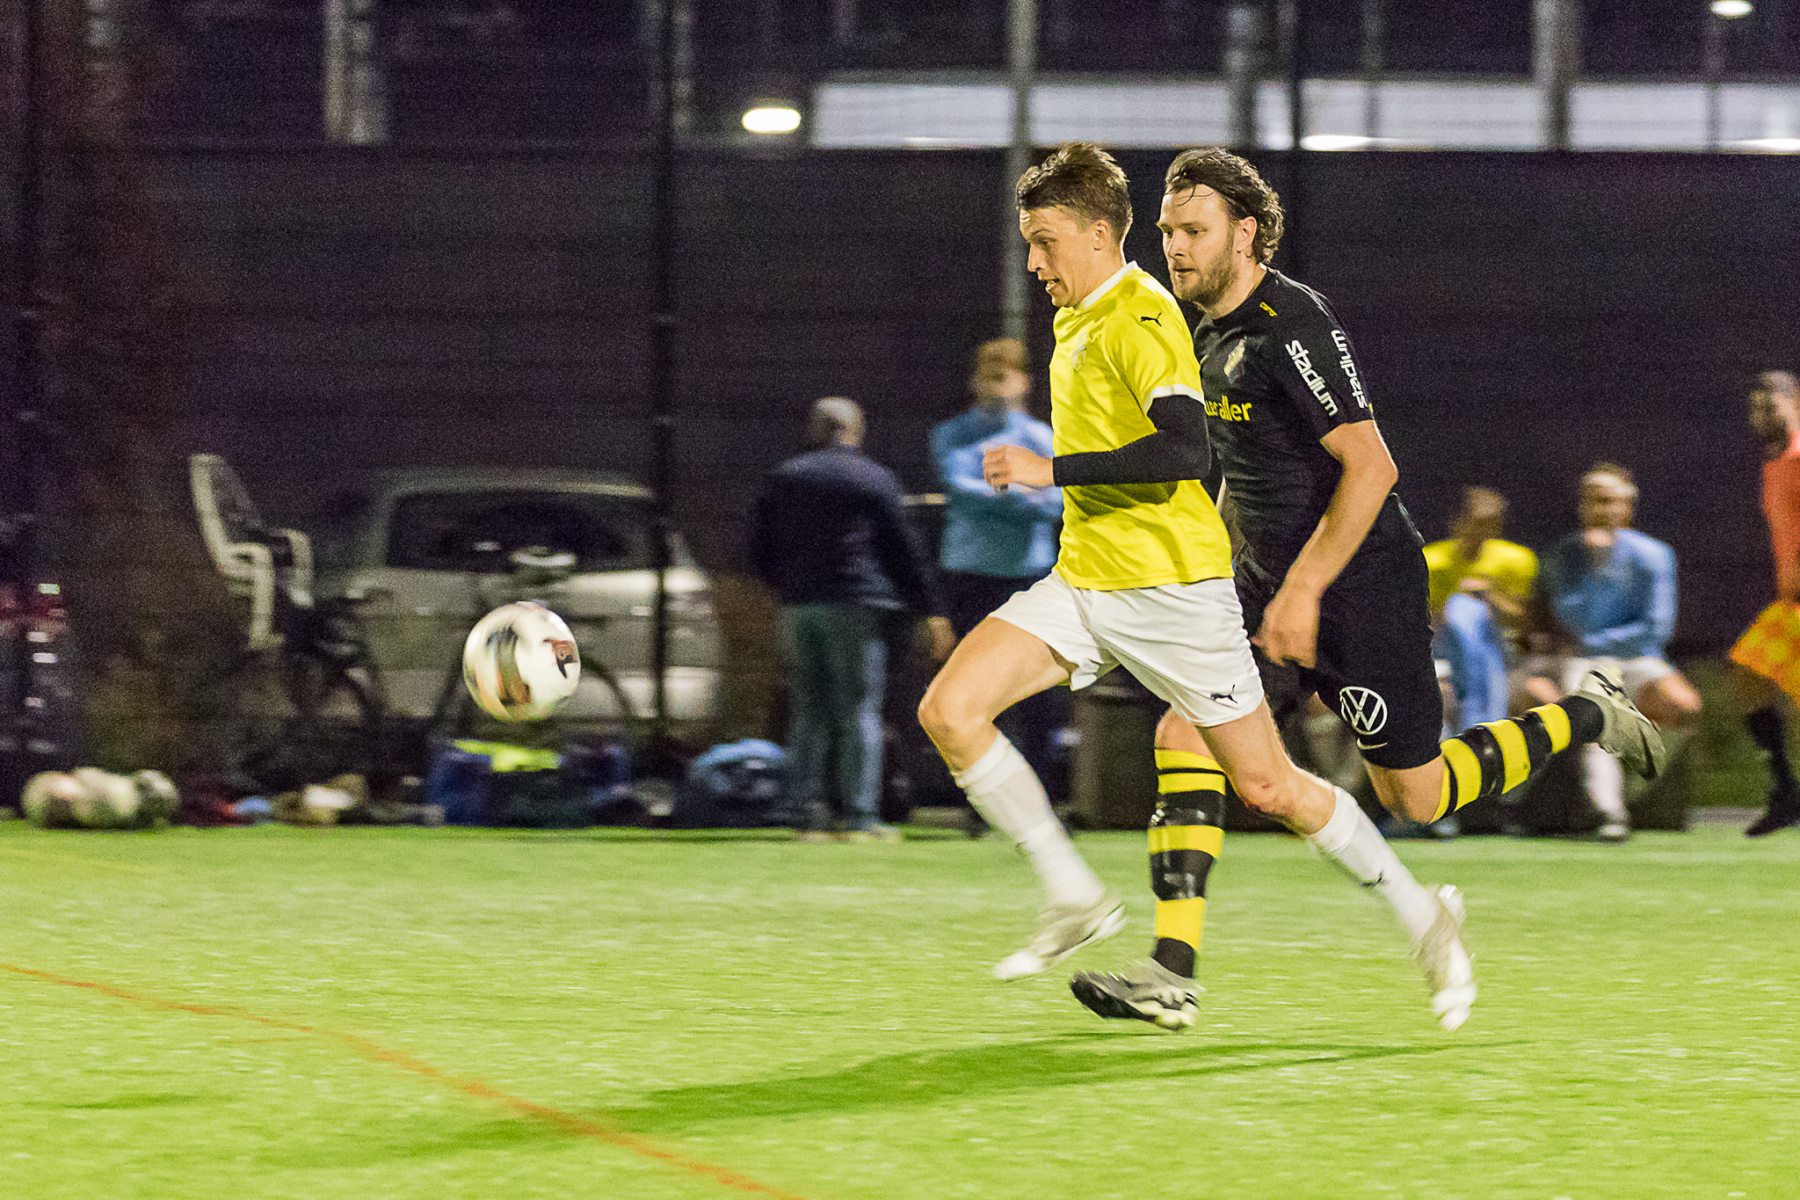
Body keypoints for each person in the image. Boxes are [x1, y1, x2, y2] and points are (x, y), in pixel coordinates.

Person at [1068, 147, 1666, 1031]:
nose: (1175, 247)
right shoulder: (1200, 333)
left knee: (1416, 795)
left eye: (1193, 230)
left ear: (1247, 232)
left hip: (1361, 586)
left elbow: (1372, 466)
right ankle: (1171, 970)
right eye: (1166, 230)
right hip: (1265, 583)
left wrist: (1304, 591)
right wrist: (1209, 574)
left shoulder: (1292, 321)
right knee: (1185, 731)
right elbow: (1242, 474)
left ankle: (1587, 712)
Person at [917, 142, 1471, 1032]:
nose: (1034, 263)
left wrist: (1048, 469)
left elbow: (1186, 449)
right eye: (1169, 229)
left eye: (1045, 243)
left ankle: (1422, 914)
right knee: (950, 710)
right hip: (1090, 579)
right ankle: (1083, 903)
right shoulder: (1099, 313)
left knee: (1284, 789)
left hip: (1182, 593)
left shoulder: (1149, 317)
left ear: (1098, 235)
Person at [751, 396, 955, 842]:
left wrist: (785, 586)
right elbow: (902, 550)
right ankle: (859, 817)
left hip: (800, 606)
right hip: (855, 605)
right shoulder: (873, 477)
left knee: (809, 708)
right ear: (856, 431)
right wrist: (929, 609)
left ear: (813, 430)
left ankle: (802, 814)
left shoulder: (785, 478)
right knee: (858, 710)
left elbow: (759, 547)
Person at [931, 339, 1065, 814]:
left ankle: (1040, 800)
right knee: (973, 692)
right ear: (975, 381)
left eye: (1006, 375)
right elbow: (960, 490)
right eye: (989, 375)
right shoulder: (952, 434)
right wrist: (1022, 495)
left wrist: (1006, 495)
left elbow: (1059, 502)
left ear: (1024, 382)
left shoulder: (1042, 436)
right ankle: (982, 805)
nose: (997, 384)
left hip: (1028, 578)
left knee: (1036, 696)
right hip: (972, 575)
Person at [1540, 463, 1702, 840]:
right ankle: (1609, 812)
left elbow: (1657, 627)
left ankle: (1629, 791)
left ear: (1627, 506)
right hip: (1586, 662)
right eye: (1593, 501)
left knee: (1684, 706)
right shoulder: (1566, 554)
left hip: (1638, 658)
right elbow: (1570, 616)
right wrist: (1595, 566)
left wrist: (1598, 643)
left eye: (1610, 501)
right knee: (1599, 710)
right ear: (1581, 506)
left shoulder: (1655, 554)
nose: (1602, 509)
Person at [1727, 371, 1800, 836]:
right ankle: (1785, 790)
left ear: (1796, 402)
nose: (1762, 416)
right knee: (1748, 673)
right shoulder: (1773, 465)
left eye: (1771, 406)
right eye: (1756, 408)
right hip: (1791, 602)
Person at [1424, 486, 1539, 731]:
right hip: (1443, 651)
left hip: (1501, 653)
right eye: (1477, 522)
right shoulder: (1430, 560)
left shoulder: (1517, 560)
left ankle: (1481, 724)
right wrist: (1453, 600)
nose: (1483, 531)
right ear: (1457, 522)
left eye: (1491, 524)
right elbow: (1425, 623)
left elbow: (1521, 624)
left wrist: (1490, 599)